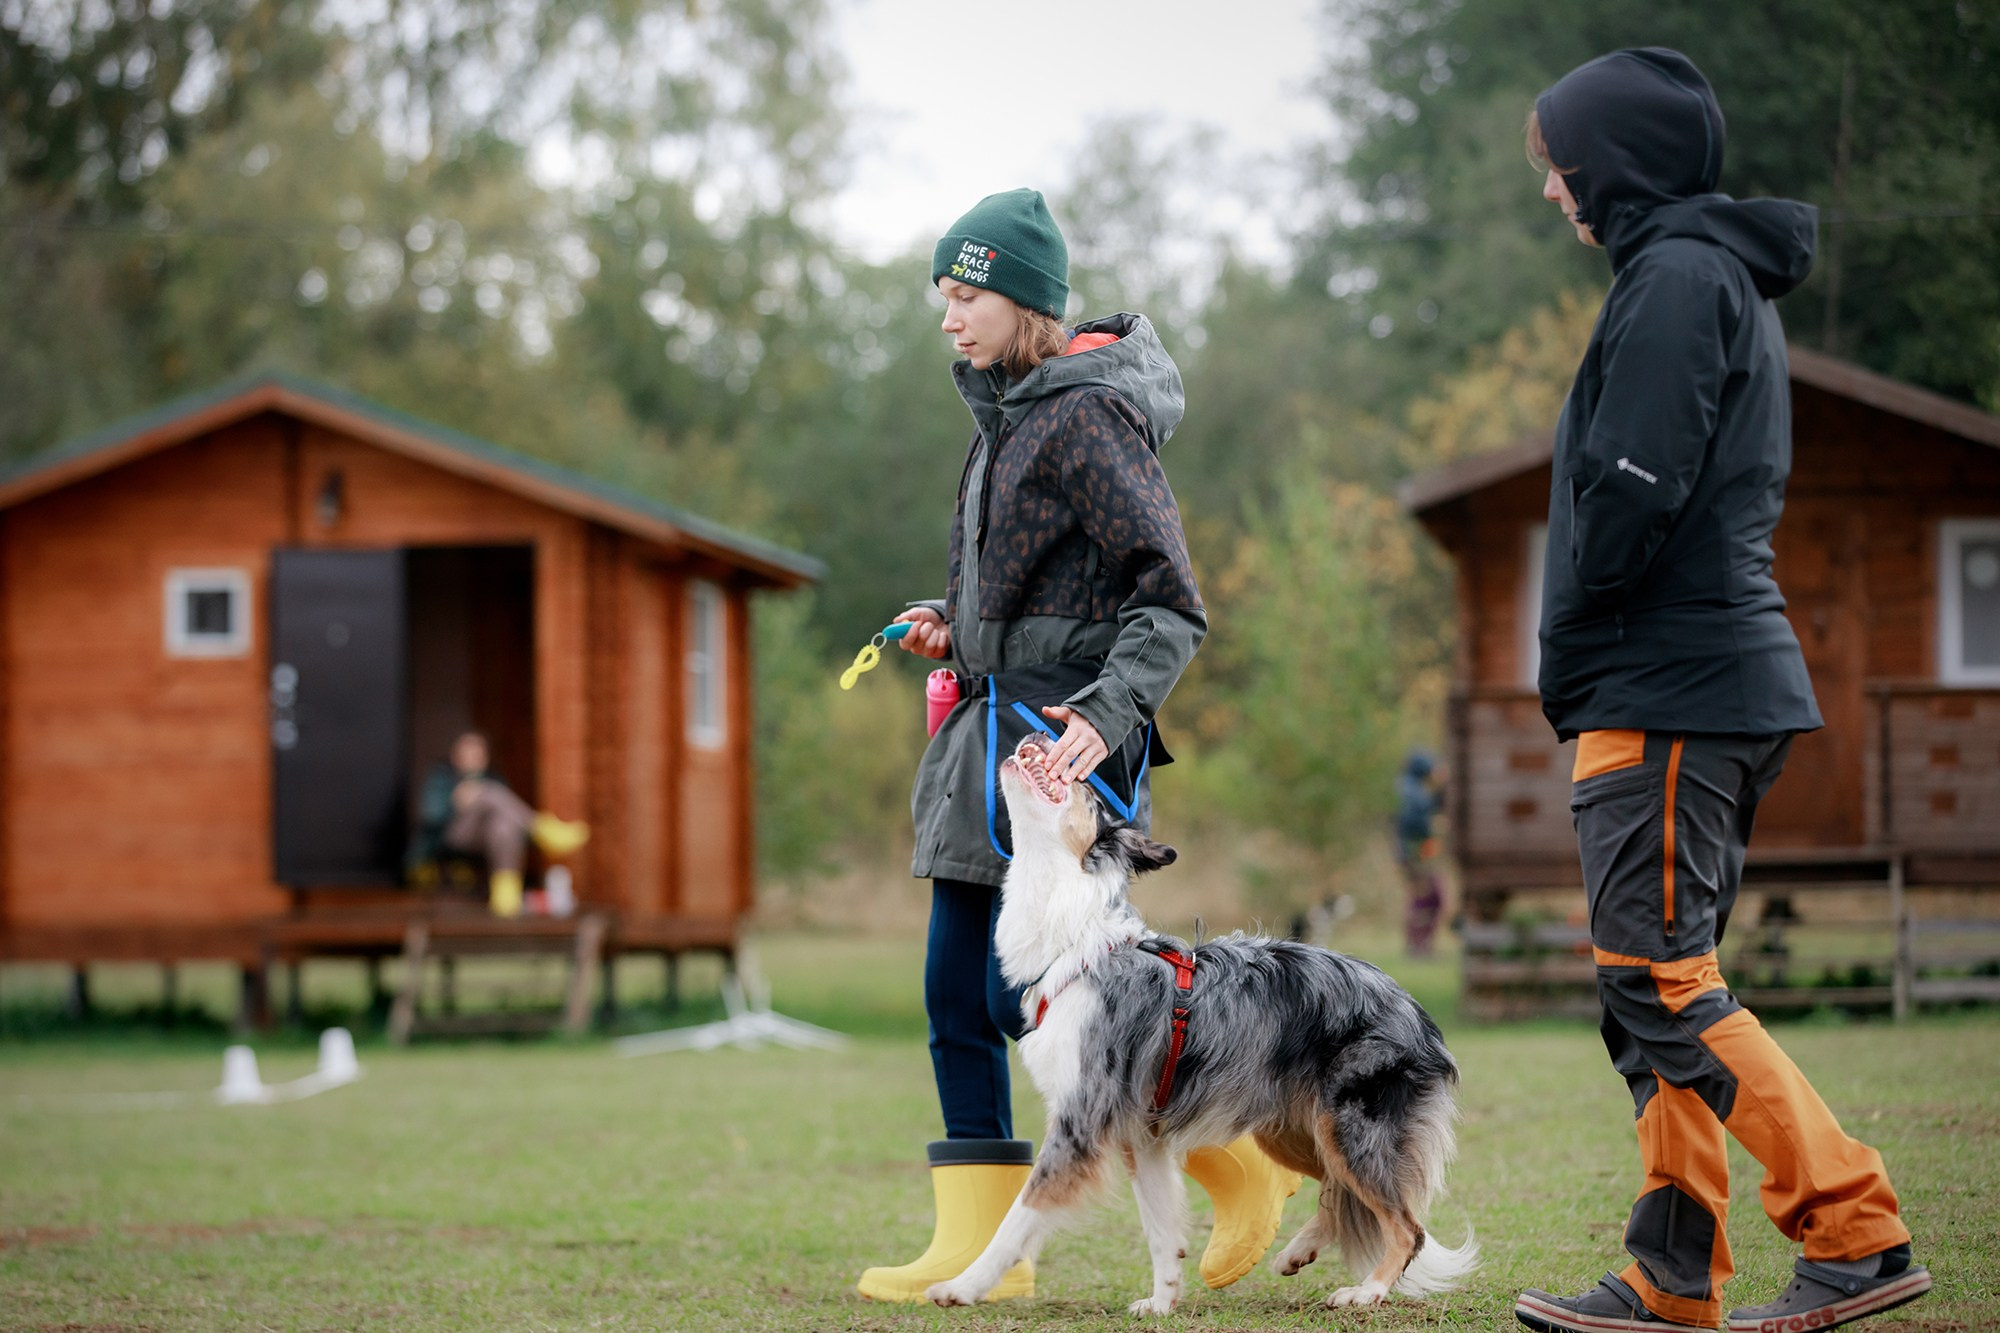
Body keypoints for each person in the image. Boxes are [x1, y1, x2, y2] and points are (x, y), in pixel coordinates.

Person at [1512, 49, 1929, 1333]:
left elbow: (1633, 486)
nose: (1550, 192)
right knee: (1642, 987)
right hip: (1672, 684)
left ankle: (1852, 1227)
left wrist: (1580, 616)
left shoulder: (1679, 279)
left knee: (1657, 977)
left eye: (1557, 168)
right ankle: (1670, 1269)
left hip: (1670, 686)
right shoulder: (1687, 274)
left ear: (1609, 166)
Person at [855, 188, 1298, 1302]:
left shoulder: (1089, 415)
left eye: (966, 296)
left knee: (1023, 1000)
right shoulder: (1002, 415)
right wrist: (953, 623)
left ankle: (1238, 1165)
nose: (948, 318)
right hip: (987, 740)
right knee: (956, 996)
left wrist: (1103, 717)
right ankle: (978, 1251)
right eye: (942, 296)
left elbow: (1170, 605)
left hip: (1060, 752)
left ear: (1026, 303)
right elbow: (1044, 591)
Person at [412, 731, 589, 917]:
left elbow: (510, 815)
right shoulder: (441, 777)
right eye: (466, 754)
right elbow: (430, 817)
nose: (471, 759)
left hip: (484, 837)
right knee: (492, 793)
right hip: (452, 836)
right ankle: (541, 829)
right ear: (455, 756)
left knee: (504, 825)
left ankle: (506, 895)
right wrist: (454, 801)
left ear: (485, 758)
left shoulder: (493, 777)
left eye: (477, 755)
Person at [1396, 751, 1446, 957]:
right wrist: (1431, 826)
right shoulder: (1412, 791)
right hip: (1416, 853)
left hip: (1411, 852)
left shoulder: (1408, 787)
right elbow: (1415, 822)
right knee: (1428, 898)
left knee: (1425, 897)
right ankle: (1419, 947)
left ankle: (1418, 946)